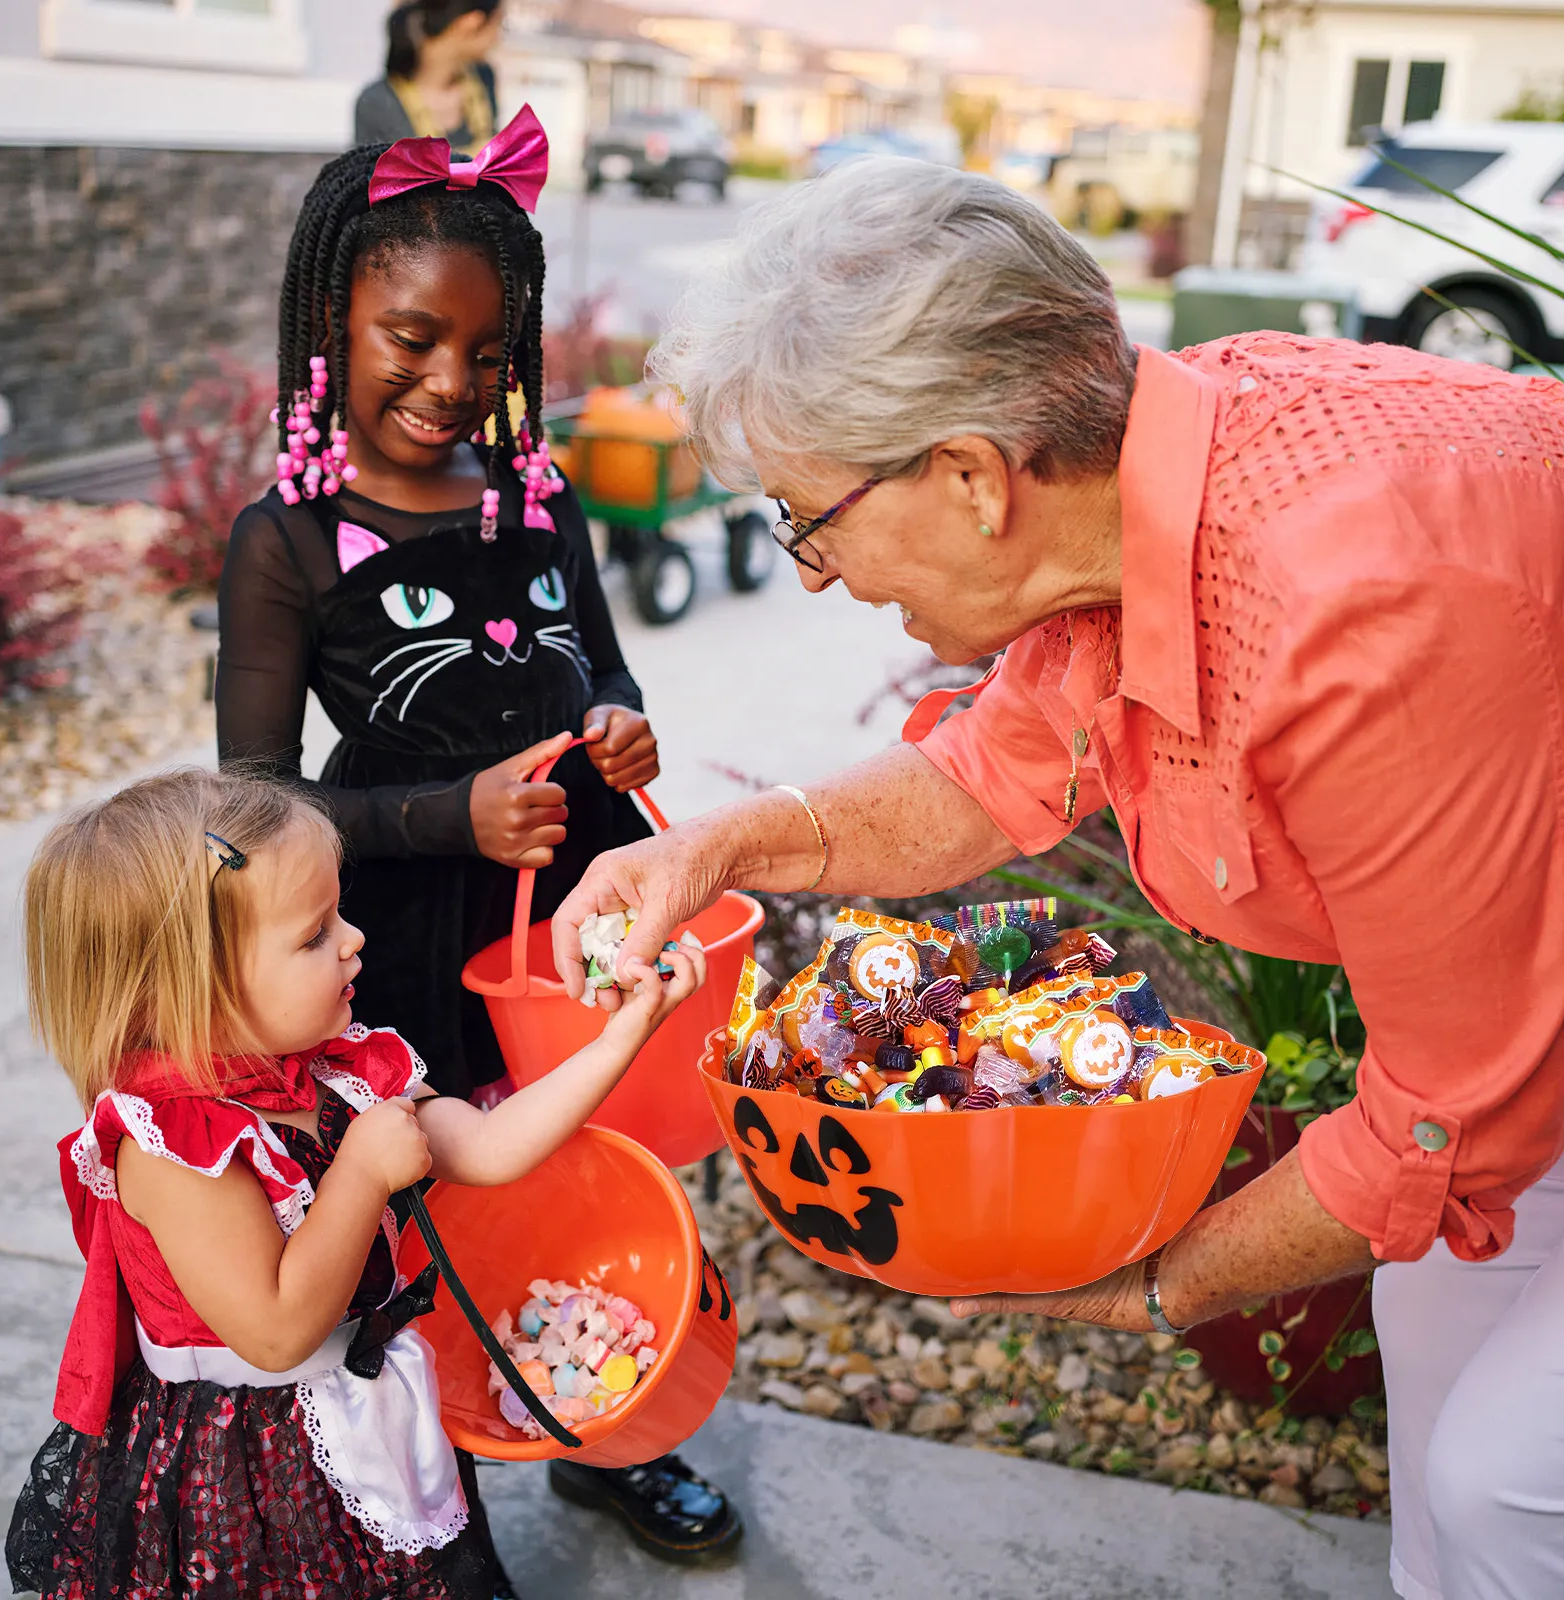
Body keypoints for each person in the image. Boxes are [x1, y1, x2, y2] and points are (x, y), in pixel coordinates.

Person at [552, 157, 1564, 1600]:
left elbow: (1441, 1131)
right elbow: (984, 777)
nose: (816, 576)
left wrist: (1163, 1283)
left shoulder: (1358, 611)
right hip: (1531, 1016)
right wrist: (707, 845)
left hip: (1514, 1049)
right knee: (1440, 1362)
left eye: (807, 516)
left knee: (1509, 1478)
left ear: (970, 477)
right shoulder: (1130, 483)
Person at [215, 110, 742, 1567]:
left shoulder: (541, 495)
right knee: (444, 1198)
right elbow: (251, 802)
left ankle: (616, 1425)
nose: (454, 383)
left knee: (604, 1159)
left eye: (491, 353)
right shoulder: (289, 543)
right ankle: (449, 1490)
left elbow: (605, 671)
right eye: (410, 339)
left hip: (571, 909)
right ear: (332, 320)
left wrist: (624, 725)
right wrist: (450, 815)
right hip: (399, 929)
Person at [4, 767, 704, 1599]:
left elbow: (484, 1146)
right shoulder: (171, 1148)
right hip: (255, 1468)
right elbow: (274, 1330)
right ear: (186, 990)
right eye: (313, 936)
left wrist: (627, 1031)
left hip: (369, 1401)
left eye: (338, 911)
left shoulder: (337, 1072)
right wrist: (363, 1173)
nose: (355, 939)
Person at [355, 1, 502, 155]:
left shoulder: (483, 79)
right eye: (499, 23)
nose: (498, 38)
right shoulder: (378, 103)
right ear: (471, 23)